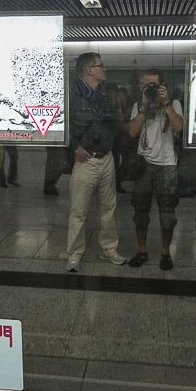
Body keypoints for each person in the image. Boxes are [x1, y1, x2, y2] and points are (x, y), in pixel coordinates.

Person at [64, 52, 127, 272]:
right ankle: (74, 254)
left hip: (106, 157)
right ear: (89, 70)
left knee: (109, 208)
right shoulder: (72, 93)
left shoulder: (104, 94)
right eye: (101, 65)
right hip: (86, 159)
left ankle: (108, 249)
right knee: (79, 211)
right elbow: (62, 123)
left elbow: (112, 124)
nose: (105, 68)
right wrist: (75, 147)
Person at [126, 68, 184, 270]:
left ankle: (166, 253)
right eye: (146, 84)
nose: (148, 88)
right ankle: (142, 251)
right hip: (143, 166)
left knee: (168, 213)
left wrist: (166, 103)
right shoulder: (138, 104)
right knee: (140, 211)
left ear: (162, 86)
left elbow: (179, 127)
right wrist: (143, 107)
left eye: (153, 85)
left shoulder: (173, 103)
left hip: (167, 165)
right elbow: (132, 132)